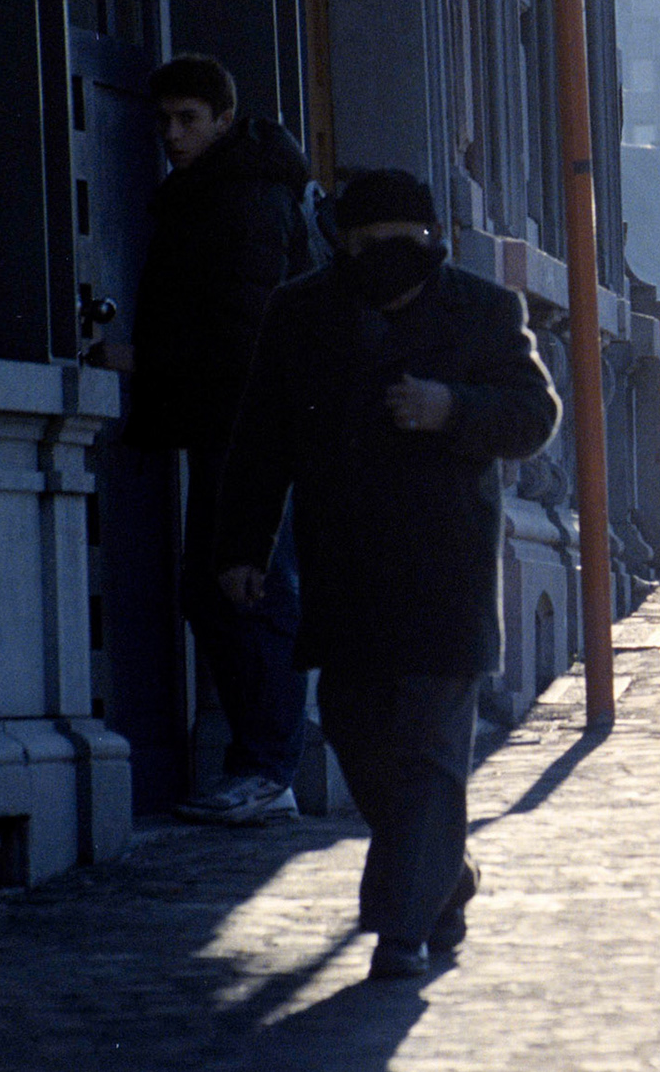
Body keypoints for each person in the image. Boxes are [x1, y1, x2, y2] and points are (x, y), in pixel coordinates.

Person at [214, 170, 561, 979]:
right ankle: (446, 878)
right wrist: (240, 548)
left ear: (430, 244)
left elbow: (535, 415)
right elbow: (260, 440)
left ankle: (399, 933)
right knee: (361, 739)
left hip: (445, 575)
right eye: (360, 246)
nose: (375, 261)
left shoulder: (482, 308)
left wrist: (452, 408)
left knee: (432, 753)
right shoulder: (300, 312)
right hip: (344, 574)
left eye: (394, 247)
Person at [122, 53, 313, 825]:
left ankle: (268, 769)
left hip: (249, 426)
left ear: (224, 120)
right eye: (164, 120)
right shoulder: (211, 193)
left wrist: (142, 358)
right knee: (217, 588)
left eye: (187, 120)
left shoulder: (245, 200)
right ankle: (262, 764)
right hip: (225, 420)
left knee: (248, 587)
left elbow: (246, 334)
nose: (172, 135)